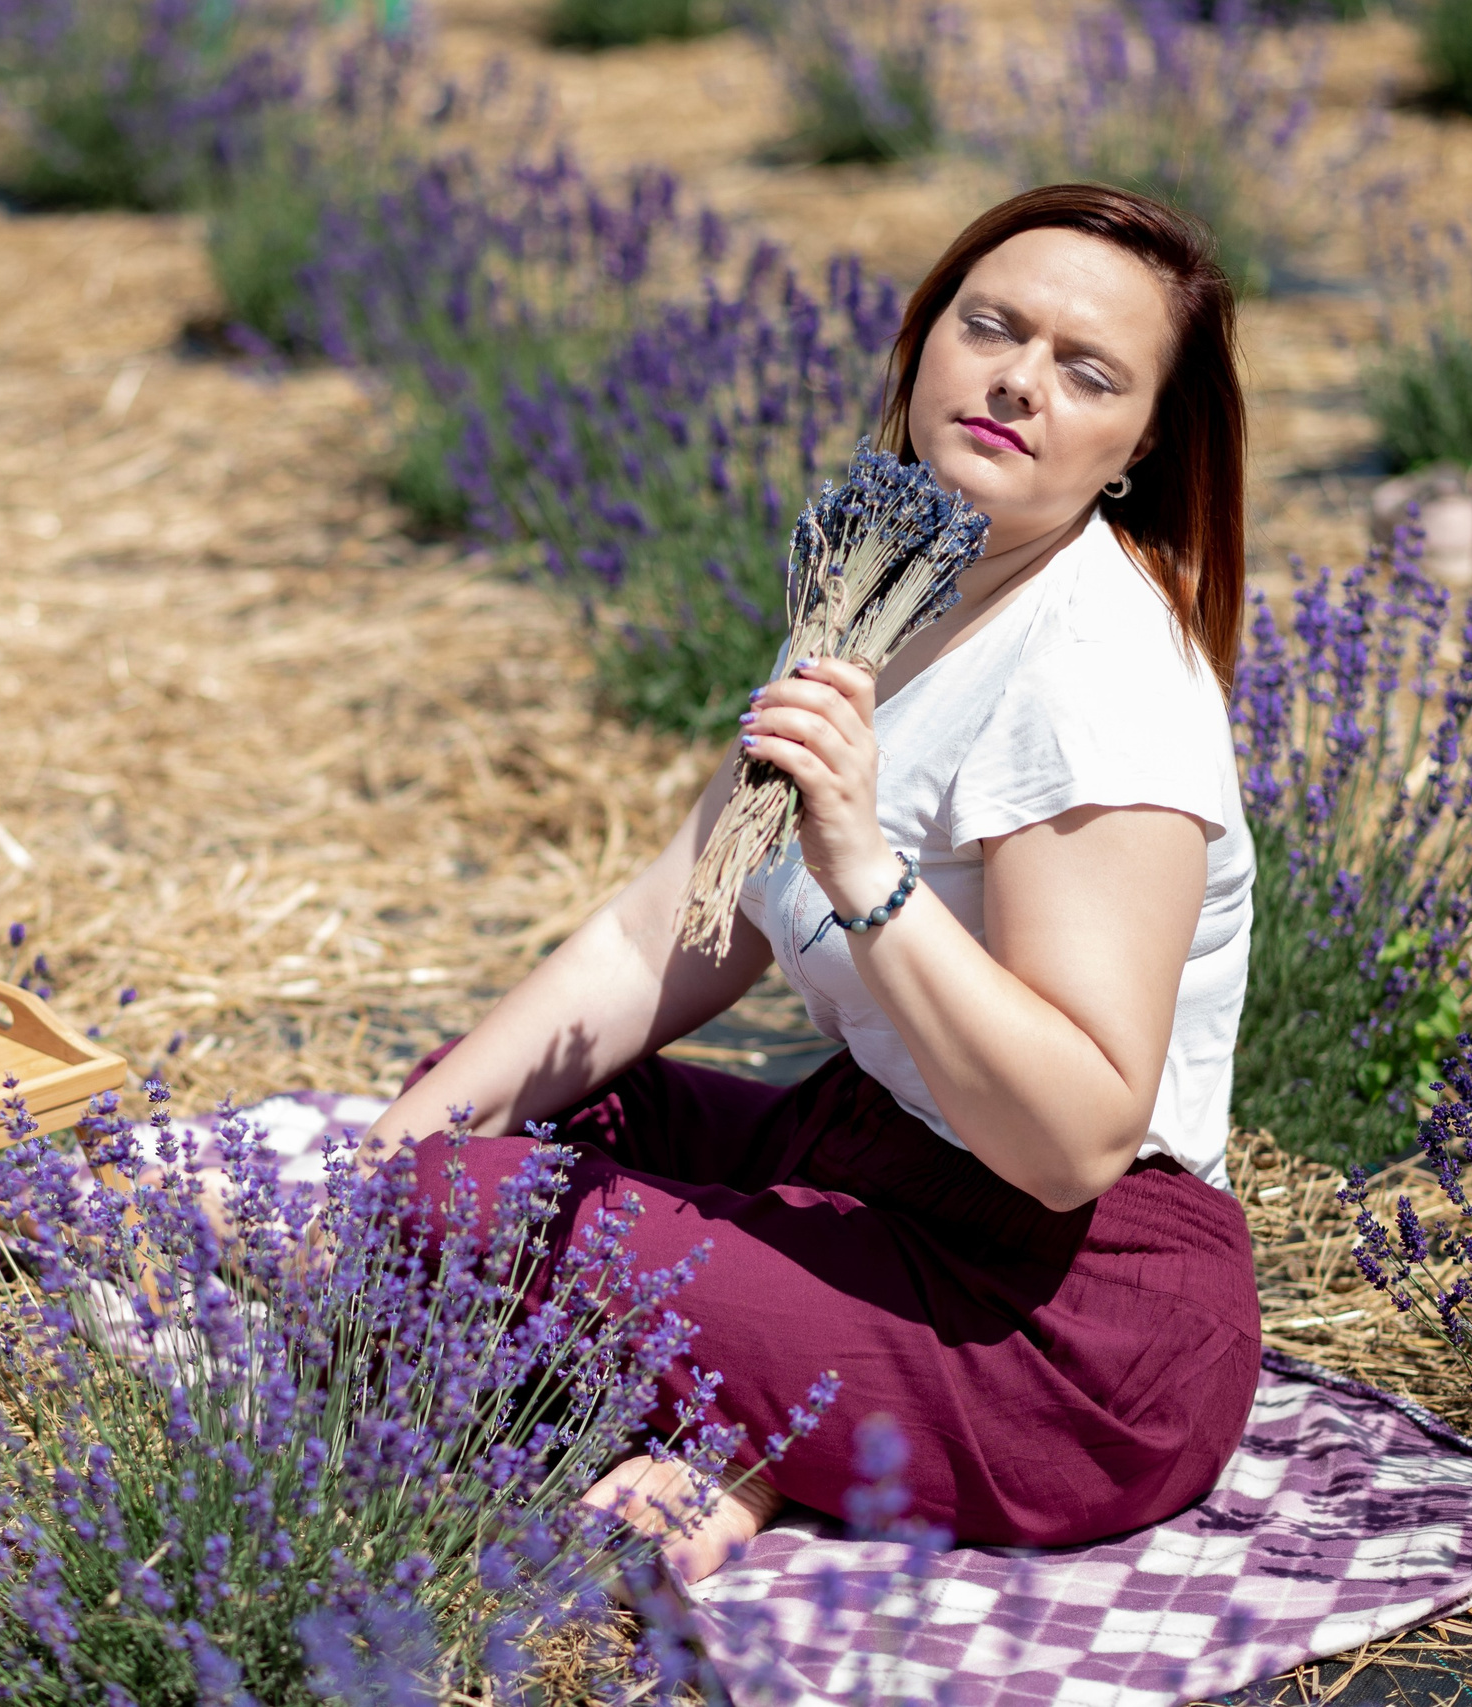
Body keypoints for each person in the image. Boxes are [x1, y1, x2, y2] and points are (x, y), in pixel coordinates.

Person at [364, 183, 1260, 1582]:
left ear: (1138, 445)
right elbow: (674, 920)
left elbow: (1073, 1142)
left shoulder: (1096, 686)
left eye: (1088, 373)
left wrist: (862, 866)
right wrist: (391, 1153)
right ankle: (760, 1430)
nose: (1020, 381)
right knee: (488, 1105)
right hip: (864, 1168)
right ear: (925, 340)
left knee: (461, 1212)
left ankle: (754, 1434)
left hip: (1056, 1318)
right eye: (994, 328)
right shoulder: (889, 572)